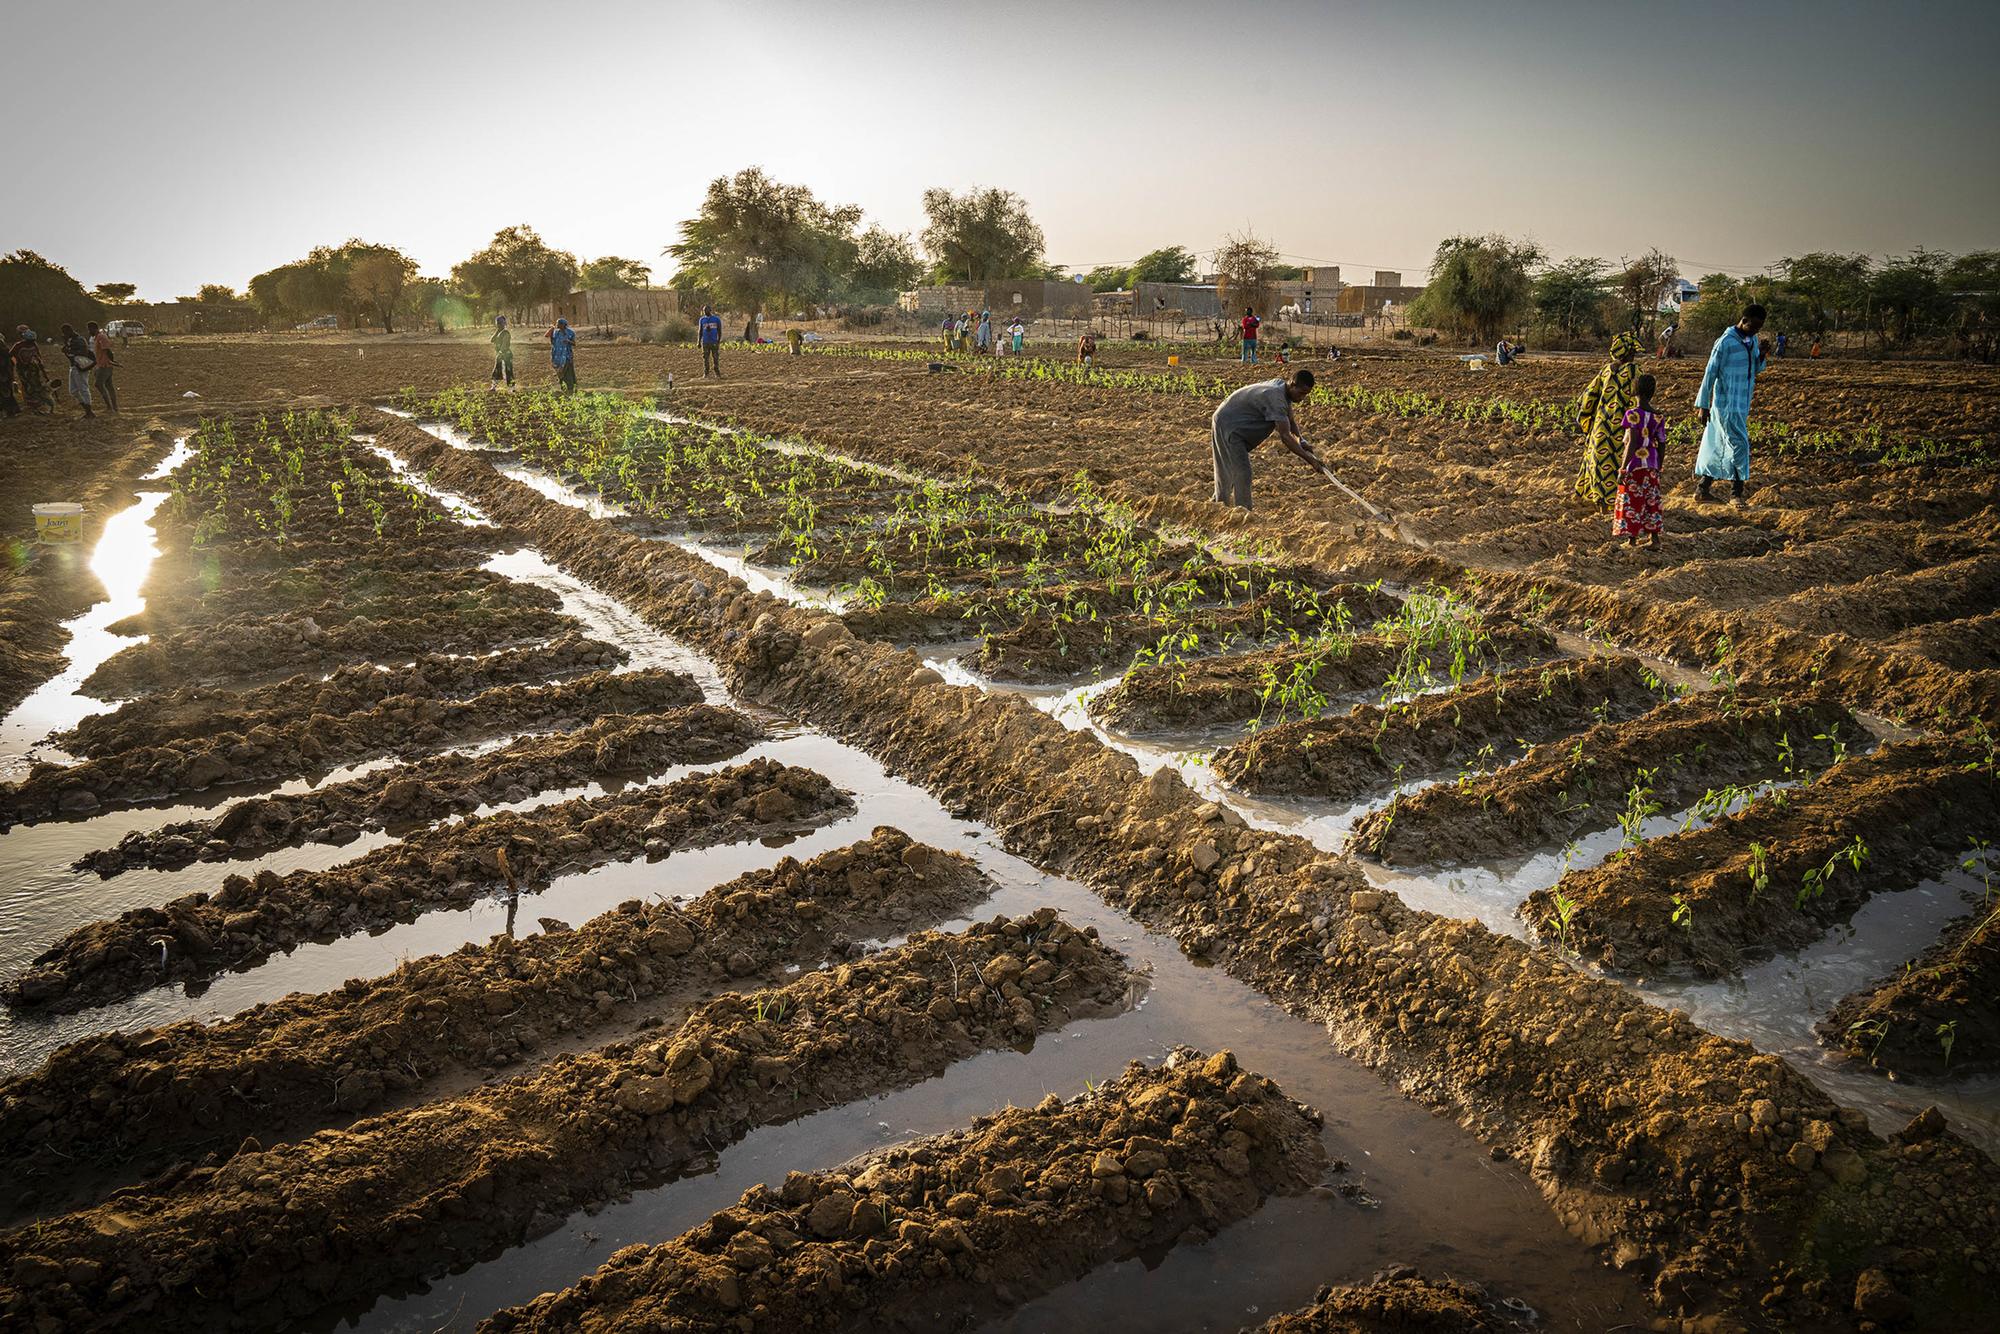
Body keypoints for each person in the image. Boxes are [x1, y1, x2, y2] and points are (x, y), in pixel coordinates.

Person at [1209, 368, 1321, 511]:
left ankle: (1217, 505)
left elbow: (1290, 420)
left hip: (1234, 422)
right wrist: (1311, 461)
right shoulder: (1276, 399)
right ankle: (1242, 513)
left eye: (1306, 395)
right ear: (1292, 384)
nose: (1302, 398)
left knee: (1231, 467)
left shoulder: (1282, 388)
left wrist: (1301, 440)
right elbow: (1286, 437)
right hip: (1229, 425)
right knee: (1242, 472)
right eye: (1301, 393)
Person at [1694, 303, 1770, 506]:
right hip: (1725, 404)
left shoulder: (1751, 340)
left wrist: (1761, 354)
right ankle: (1736, 493)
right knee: (1740, 445)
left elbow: (1755, 369)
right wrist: (1703, 405)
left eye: (1758, 328)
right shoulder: (1725, 342)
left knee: (1719, 444)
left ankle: (1702, 489)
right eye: (1753, 326)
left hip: (1742, 403)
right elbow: (1710, 373)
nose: (1756, 331)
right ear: (1743, 321)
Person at [1574, 332, 1641, 508]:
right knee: (1618, 464)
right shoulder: (1633, 370)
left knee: (1598, 462)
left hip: (1601, 425)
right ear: (1627, 353)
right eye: (1633, 352)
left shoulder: (1605, 370)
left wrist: (1585, 418)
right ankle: (1616, 504)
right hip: (1622, 427)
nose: (1635, 355)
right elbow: (1638, 398)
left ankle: (1601, 502)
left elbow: (1588, 396)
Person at [1613, 373, 1666, 549]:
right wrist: (1658, 466)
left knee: (1631, 501)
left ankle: (1632, 540)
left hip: (1634, 465)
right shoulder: (1658, 416)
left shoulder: (1632, 414)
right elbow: (1662, 443)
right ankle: (1655, 540)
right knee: (1651, 501)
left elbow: (1631, 443)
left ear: (1635, 391)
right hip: (1651, 465)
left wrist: (1623, 468)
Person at [59, 324, 96, 417]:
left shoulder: (79, 340)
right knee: (73, 391)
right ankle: (87, 409)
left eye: (64, 333)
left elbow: (83, 353)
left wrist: (69, 351)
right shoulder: (72, 340)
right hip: (75, 366)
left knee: (83, 389)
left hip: (81, 366)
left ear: (68, 331)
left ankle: (89, 410)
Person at [11, 328, 51, 412]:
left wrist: (41, 366)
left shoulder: (30, 345)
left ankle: (38, 402)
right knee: (27, 385)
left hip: (33, 368)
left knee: (35, 384)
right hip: (23, 369)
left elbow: (38, 356)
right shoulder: (18, 346)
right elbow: (10, 356)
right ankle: (32, 403)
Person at [88, 321, 118, 414]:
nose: (89, 331)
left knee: (99, 384)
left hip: (104, 365)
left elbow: (108, 350)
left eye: (89, 329)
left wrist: (111, 361)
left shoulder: (101, 337)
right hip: (102, 364)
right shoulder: (97, 338)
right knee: (109, 386)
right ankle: (114, 407)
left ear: (94, 328)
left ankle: (110, 407)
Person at [547, 317, 577, 392]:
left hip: (566, 356)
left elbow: (574, 343)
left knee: (568, 372)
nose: (557, 325)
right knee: (560, 373)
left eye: (559, 323)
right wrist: (550, 336)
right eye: (557, 323)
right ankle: (563, 388)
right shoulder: (556, 332)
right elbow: (553, 343)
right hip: (557, 356)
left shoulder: (570, 333)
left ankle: (570, 388)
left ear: (563, 325)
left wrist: (568, 341)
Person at [489, 315, 514, 389]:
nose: (499, 325)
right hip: (500, 355)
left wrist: (500, 353)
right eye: (498, 324)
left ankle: (511, 388)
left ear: (504, 324)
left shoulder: (506, 333)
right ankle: (494, 386)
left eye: (500, 323)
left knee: (508, 371)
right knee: (497, 370)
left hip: (506, 355)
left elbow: (505, 345)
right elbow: (492, 340)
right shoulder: (499, 332)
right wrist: (497, 331)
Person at [699, 304, 723, 378]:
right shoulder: (702, 320)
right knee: (705, 358)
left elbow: (719, 331)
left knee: (715, 358)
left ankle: (717, 373)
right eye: (704, 310)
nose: (705, 311)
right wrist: (698, 341)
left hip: (714, 342)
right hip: (705, 342)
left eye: (706, 310)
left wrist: (718, 340)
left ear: (710, 310)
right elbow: (700, 331)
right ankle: (706, 373)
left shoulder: (716, 319)